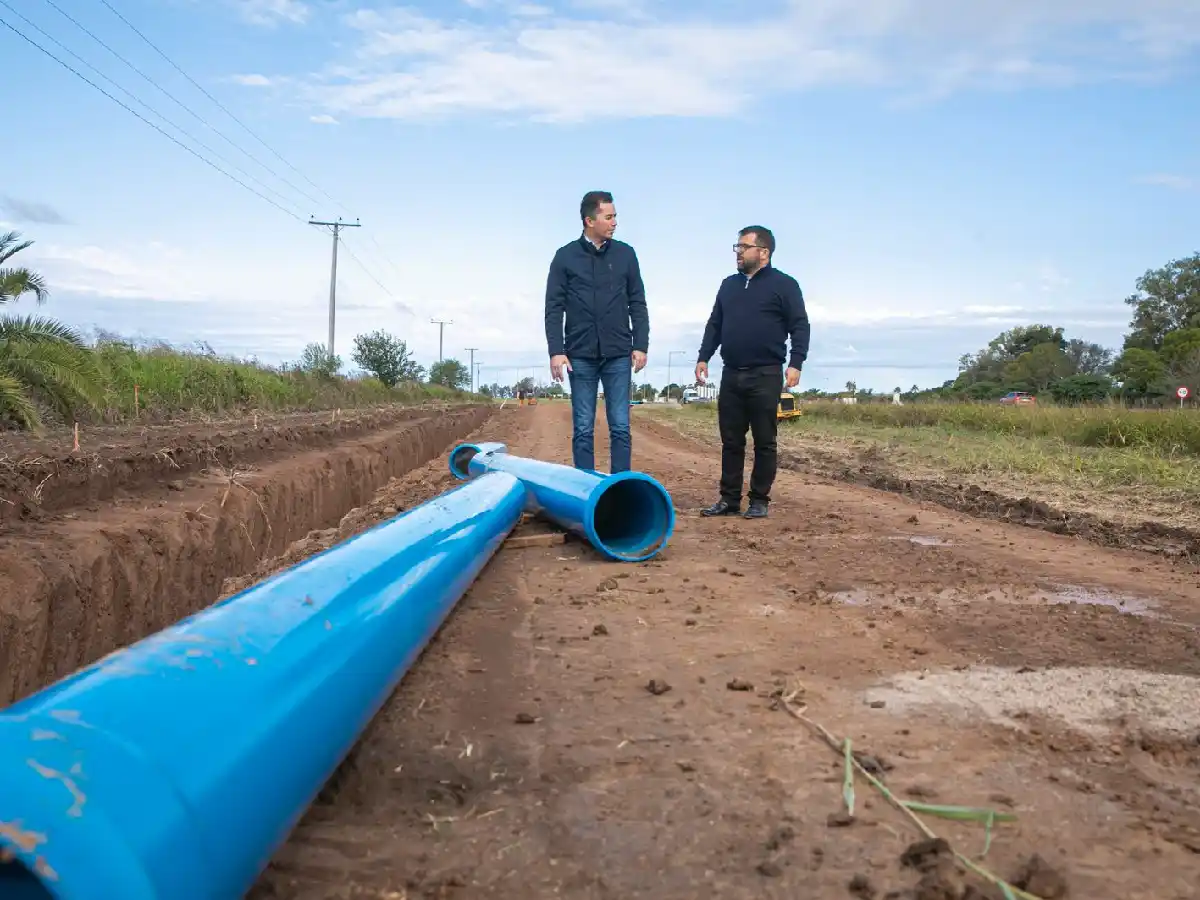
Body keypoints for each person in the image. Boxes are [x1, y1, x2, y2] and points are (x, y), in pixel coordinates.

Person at [694, 226, 810, 519]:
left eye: (744, 247)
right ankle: (729, 499)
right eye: (737, 246)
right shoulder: (728, 285)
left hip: (766, 374)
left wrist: (796, 362)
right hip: (731, 373)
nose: (738, 252)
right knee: (731, 441)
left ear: (763, 252)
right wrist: (704, 356)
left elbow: (800, 325)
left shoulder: (785, 285)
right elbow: (715, 325)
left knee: (764, 441)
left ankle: (759, 500)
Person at [544, 190, 649, 473]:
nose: (615, 222)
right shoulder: (565, 257)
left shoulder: (626, 255)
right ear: (590, 220)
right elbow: (553, 307)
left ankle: (621, 489)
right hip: (580, 355)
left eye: (615, 216)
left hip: (617, 353)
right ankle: (585, 488)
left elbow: (637, 301)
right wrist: (557, 351)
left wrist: (640, 344)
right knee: (582, 427)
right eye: (609, 216)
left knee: (620, 426)